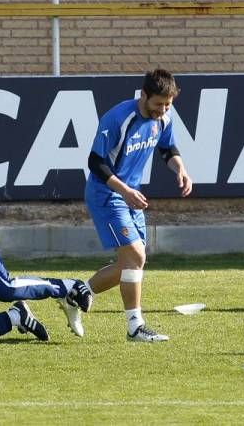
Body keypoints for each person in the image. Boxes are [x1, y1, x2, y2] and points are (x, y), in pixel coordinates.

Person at [75, 68, 193, 342]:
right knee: (136, 257)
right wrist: (125, 190)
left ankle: (79, 293)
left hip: (131, 195)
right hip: (107, 194)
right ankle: (135, 327)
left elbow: (167, 148)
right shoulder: (119, 118)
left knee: (132, 263)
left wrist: (181, 169)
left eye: (168, 105)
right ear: (143, 96)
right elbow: (95, 162)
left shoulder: (165, 116)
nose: (163, 110)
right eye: (158, 104)